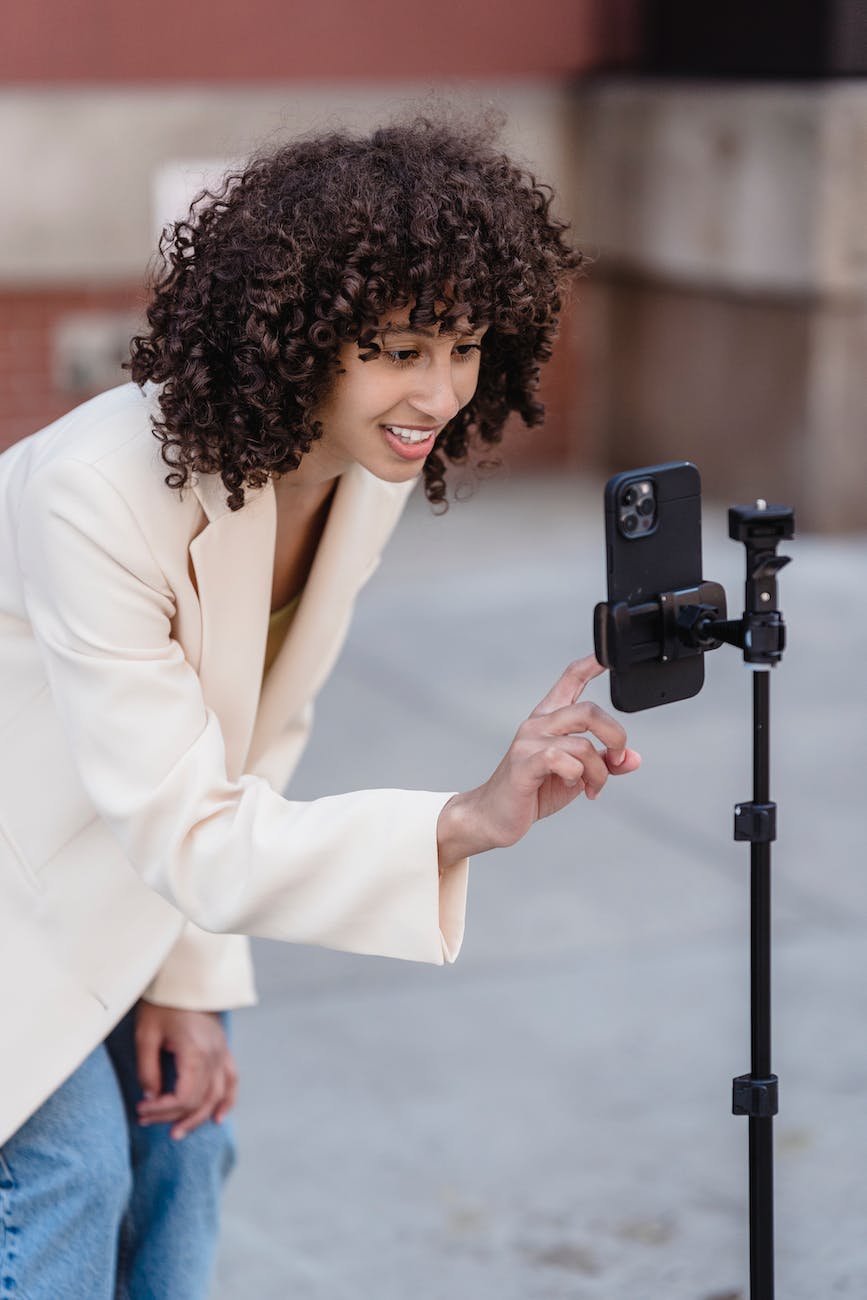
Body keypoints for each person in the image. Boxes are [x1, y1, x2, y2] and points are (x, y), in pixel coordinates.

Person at [0, 116, 641, 1298]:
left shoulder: (360, 476)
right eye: (400, 348)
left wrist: (189, 983)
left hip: (124, 856)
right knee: (73, 1170)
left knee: (187, 1143)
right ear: (295, 337)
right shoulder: (96, 493)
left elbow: (254, 738)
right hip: (19, 875)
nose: (438, 392)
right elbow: (187, 823)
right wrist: (460, 819)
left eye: (462, 345)